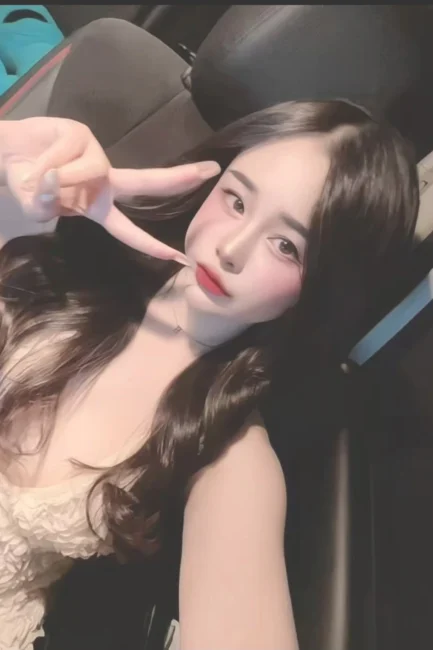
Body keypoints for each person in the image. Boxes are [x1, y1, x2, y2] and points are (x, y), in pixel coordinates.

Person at [0, 100, 419, 650]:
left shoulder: (229, 452)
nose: (230, 248)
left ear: (326, 285)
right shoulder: (82, 244)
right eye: (237, 200)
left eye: (286, 246)